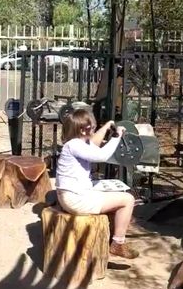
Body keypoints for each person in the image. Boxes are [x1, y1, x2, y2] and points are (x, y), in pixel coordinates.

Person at [56, 108, 138, 259]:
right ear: (83, 129)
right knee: (128, 200)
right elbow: (101, 156)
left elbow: (94, 143)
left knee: (113, 193)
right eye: (92, 127)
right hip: (75, 200)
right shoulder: (75, 145)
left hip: (71, 195)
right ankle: (118, 243)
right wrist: (117, 136)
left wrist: (106, 127)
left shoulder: (76, 143)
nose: (94, 129)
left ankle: (116, 228)